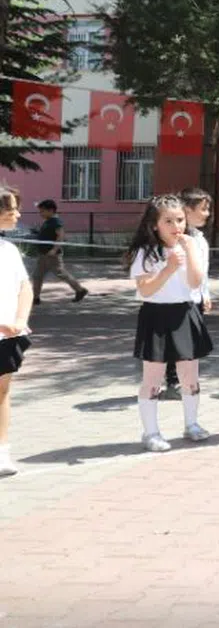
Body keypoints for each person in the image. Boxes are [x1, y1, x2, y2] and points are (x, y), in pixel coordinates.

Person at [128, 194, 213, 451]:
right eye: (168, 221)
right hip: (156, 315)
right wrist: (168, 267)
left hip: (185, 313)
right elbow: (145, 290)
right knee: (152, 378)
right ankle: (151, 433)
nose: (176, 226)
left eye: (180, 220)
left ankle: (192, 424)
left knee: (190, 375)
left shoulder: (191, 245)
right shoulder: (145, 252)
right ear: (154, 225)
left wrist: (190, 251)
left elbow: (196, 281)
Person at [162, 187, 213, 400]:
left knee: (191, 341)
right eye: (203, 208)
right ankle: (173, 382)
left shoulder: (199, 238)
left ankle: (188, 380)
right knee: (175, 342)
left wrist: (205, 293)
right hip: (177, 299)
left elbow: (202, 270)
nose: (207, 213)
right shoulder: (173, 239)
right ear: (188, 210)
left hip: (195, 298)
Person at [0, 186, 34, 477]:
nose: (18, 215)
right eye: (11, 209)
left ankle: (2, 452)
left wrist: (19, 320)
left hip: (8, 335)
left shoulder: (9, 250)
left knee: (2, 390)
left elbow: (25, 286)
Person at [30, 199, 87, 305]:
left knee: (61, 274)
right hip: (43, 255)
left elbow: (60, 236)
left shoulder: (56, 221)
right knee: (37, 275)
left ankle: (80, 290)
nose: (40, 213)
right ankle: (35, 298)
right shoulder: (48, 221)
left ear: (51, 210)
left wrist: (54, 250)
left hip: (52, 255)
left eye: (42, 211)